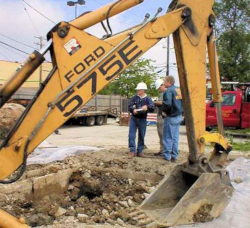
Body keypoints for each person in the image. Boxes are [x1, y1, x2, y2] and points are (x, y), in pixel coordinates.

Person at [128, 82, 155, 158]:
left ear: (143, 90)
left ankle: (140, 151)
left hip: (142, 119)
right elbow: (130, 106)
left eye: (139, 90)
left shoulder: (148, 99)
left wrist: (147, 107)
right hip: (134, 118)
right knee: (131, 135)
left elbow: (152, 107)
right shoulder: (134, 98)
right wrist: (133, 110)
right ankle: (132, 151)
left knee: (142, 135)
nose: (138, 91)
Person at [162, 76, 183, 162]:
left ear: (168, 82)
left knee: (168, 137)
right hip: (179, 116)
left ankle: (167, 156)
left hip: (171, 116)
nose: (163, 83)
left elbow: (167, 104)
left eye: (164, 81)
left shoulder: (168, 91)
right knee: (175, 137)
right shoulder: (178, 90)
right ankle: (174, 155)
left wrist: (164, 110)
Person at [154, 78, 166, 156]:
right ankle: (163, 149)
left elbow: (162, 103)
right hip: (162, 116)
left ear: (162, 85)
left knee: (162, 133)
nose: (159, 90)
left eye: (159, 88)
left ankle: (163, 150)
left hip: (162, 116)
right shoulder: (164, 93)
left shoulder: (164, 93)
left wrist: (154, 102)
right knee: (161, 134)